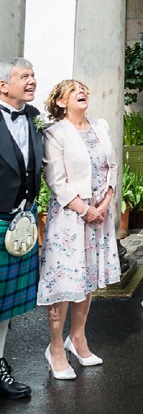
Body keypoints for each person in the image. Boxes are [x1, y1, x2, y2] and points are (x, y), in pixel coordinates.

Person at [37, 80, 120, 380]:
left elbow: (112, 167)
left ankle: (79, 338)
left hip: (100, 215)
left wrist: (105, 202)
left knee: (87, 279)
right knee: (64, 282)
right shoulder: (55, 133)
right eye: (72, 91)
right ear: (60, 102)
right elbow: (56, 181)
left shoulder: (100, 125)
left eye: (83, 88)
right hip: (71, 219)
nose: (81, 92)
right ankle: (56, 348)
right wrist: (86, 210)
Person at [0, 58, 43, 400]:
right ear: (3, 85)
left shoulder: (33, 119)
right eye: (23, 76)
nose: (31, 81)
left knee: (5, 307)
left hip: (21, 221)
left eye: (32, 75)